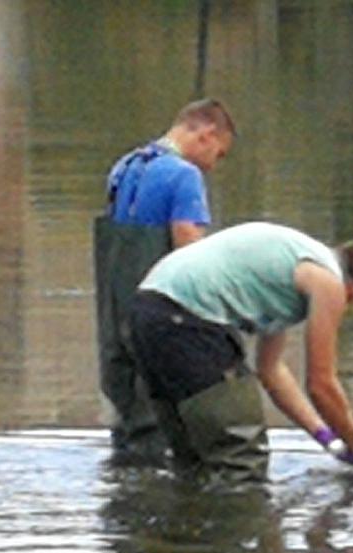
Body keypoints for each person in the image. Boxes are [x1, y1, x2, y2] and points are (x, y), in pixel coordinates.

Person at [129, 221, 353, 480]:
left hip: (146, 312)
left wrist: (326, 438)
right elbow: (321, 385)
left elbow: (271, 372)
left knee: (192, 460)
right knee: (241, 463)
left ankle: (178, 521)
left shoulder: (290, 264)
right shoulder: (328, 282)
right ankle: (244, 523)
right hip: (188, 319)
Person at [93, 99, 235, 462]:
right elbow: (188, 243)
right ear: (206, 135)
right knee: (159, 414)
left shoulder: (124, 167)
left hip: (116, 311)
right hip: (158, 313)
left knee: (128, 417)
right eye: (219, 154)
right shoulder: (185, 176)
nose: (214, 166)